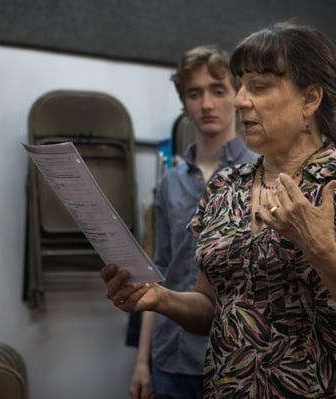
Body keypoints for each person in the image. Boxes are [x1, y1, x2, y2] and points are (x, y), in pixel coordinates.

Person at [104, 22, 336, 398]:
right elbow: (213, 306)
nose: (240, 100)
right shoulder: (224, 187)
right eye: (241, 84)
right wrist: (161, 299)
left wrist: (322, 250)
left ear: (309, 100)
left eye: (259, 87)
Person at [130, 45, 256, 399]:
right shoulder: (171, 181)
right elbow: (157, 270)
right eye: (194, 93)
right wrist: (142, 361)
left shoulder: (261, 173)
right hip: (170, 357)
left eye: (218, 91)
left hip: (238, 359)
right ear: (184, 102)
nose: (207, 104)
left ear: (236, 95)